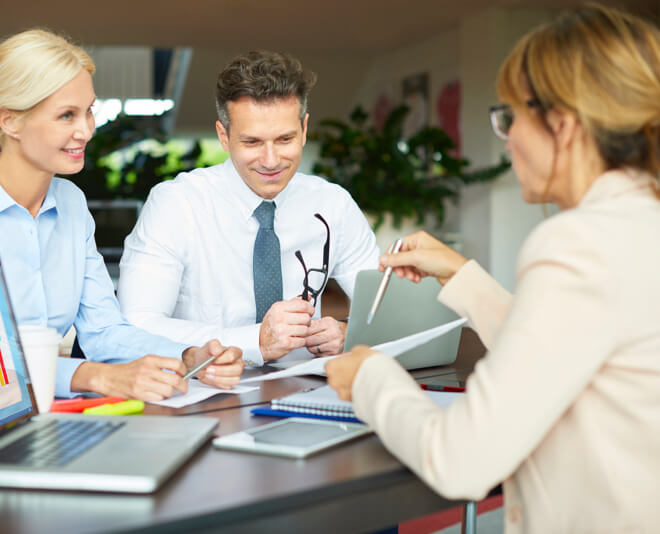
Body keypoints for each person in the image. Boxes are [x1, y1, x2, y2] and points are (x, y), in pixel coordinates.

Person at [326, 4, 660, 533]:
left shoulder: (577, 243)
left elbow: (460, 461)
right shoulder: (640, 224)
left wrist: (371, 378)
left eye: (511, 118)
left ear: (563, 125)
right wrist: (459, 274)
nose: (506, 139)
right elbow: (565, 350)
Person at [0, 29, 244, 401]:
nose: (85, 131)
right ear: (10, 121)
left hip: (48, 420)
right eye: (66, 115)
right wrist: (95, 377)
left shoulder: (71, 204)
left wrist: (185, 356)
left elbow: (103, 330)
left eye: (89, 112)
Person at [118, 50, 379, 367]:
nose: (271, 161)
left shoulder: (332, 204)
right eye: (252, 142)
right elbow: (137, 324)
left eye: (285, 139)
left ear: (304, 129)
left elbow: (383, 310)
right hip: (206, 393)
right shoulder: (176, 205)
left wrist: (349, 332)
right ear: (223, 137)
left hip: (307, 390)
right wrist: (254, 342)